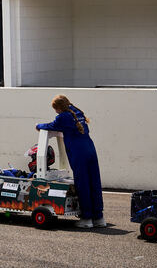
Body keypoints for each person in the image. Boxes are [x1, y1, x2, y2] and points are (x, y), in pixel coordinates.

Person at [36, 95, 105, 228]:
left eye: (55, 109)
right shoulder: (76, 111)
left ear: (58, 108)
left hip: (79, 152)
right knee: (94, 182)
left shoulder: (63, 117)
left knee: (83, 183)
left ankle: (87, 218)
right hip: (90, 148)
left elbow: (52, 125)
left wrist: (38, 125)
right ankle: (99, 217)